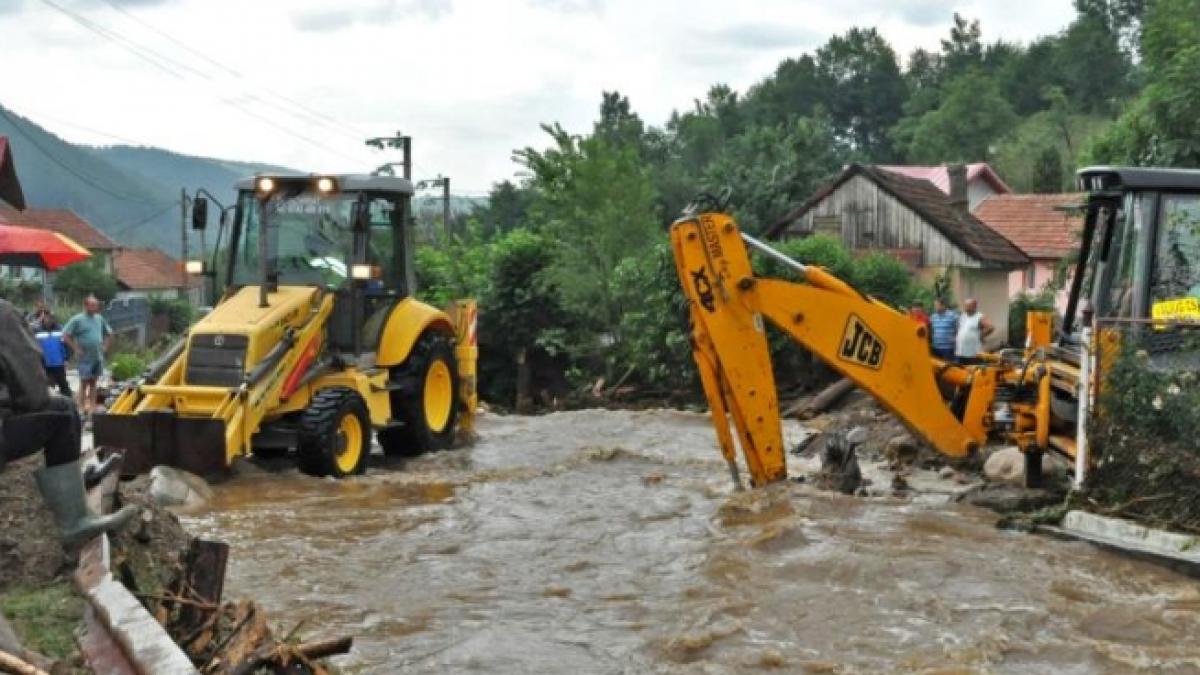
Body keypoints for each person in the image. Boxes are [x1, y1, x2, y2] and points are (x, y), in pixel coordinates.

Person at [0, 299, 135, 545]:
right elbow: (29, 380)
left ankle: (72, 485)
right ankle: (74, 522)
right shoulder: (3, 313)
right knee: (63, 411)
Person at [62, 295, 113, 420]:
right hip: (85, 357)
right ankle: (80, 408)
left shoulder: (99, 318)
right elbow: (66, 335)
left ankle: (92, 408)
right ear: (85, 306)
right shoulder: (77, 320)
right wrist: (75, 348)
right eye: (93, 305)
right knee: (84, 382)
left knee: (94, 383)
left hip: (97, 356)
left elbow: (110, 333)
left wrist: (105, 347)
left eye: (96, 305)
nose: (96, 307)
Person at [35, 313, 73, 397]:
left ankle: (68, 401)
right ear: (43, 319)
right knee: (47, 385)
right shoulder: (36, 330)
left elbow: (67, 346)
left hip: (58, 362)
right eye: (46, 318)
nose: (48, 320)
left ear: (54, 319)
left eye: (51, 318)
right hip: (44, 363)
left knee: (63, 384)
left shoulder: (61, 329)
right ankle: (48, 402)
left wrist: (67, 359)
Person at [955, 298, 995, 364]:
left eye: (968, 306)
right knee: (961, 371)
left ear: (974, 307)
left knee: (972, 371)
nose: (966, 308)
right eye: (965, 306)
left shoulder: (979, 317)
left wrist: (982, 335)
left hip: (973, 352)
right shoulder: (963, 316)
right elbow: (960, 328)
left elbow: (991, 327)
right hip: (961, 351)